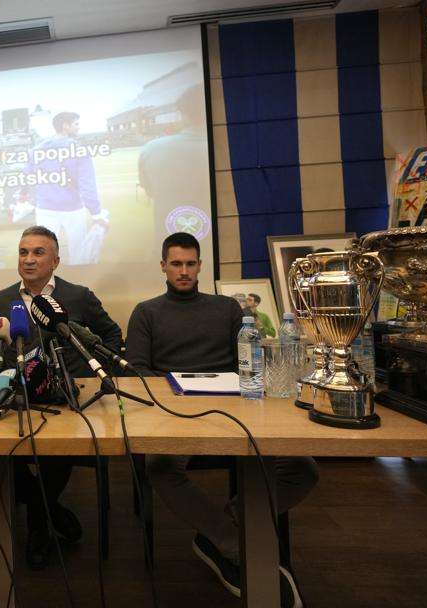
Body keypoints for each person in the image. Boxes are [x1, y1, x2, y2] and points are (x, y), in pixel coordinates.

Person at [126, 232, 317, 608]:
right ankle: (233, 544)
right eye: (176, 264)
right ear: (163, 266)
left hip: (234, 407)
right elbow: (135, 372)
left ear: (200, 266)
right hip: (175, 411)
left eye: (190, 264)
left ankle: (221, 526)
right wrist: (173, 389)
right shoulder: (146, 311)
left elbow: (249, 362)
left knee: (303, 469)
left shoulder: (228, 310)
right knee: (161, 468)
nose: (183, 271)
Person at [0, 225, 122, 569]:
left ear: (56, 261)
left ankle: (38, 528)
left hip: (67, 397)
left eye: (38, 252)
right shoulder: (1, 300)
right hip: (18, 396)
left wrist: (90, 375)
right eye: (23, 252)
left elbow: (110, 335)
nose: (29, 260)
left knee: (56, 451)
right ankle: (49, 510)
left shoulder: (78, 296)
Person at [27, 112, 108, 265]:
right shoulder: (79, 149)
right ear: (65, 126)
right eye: (76, 124)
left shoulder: (36, 150)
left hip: (45, 208)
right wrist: (96, 214)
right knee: (79, 255)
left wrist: (36, 200)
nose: (79, 127)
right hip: (72, 208)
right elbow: (87, 185)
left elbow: (27, 179)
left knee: (43, 255)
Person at [138, 84, 210, 242]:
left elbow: (149, 191)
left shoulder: (151, 148)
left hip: (168, 243)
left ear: (183, 113)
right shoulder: (231, 147)